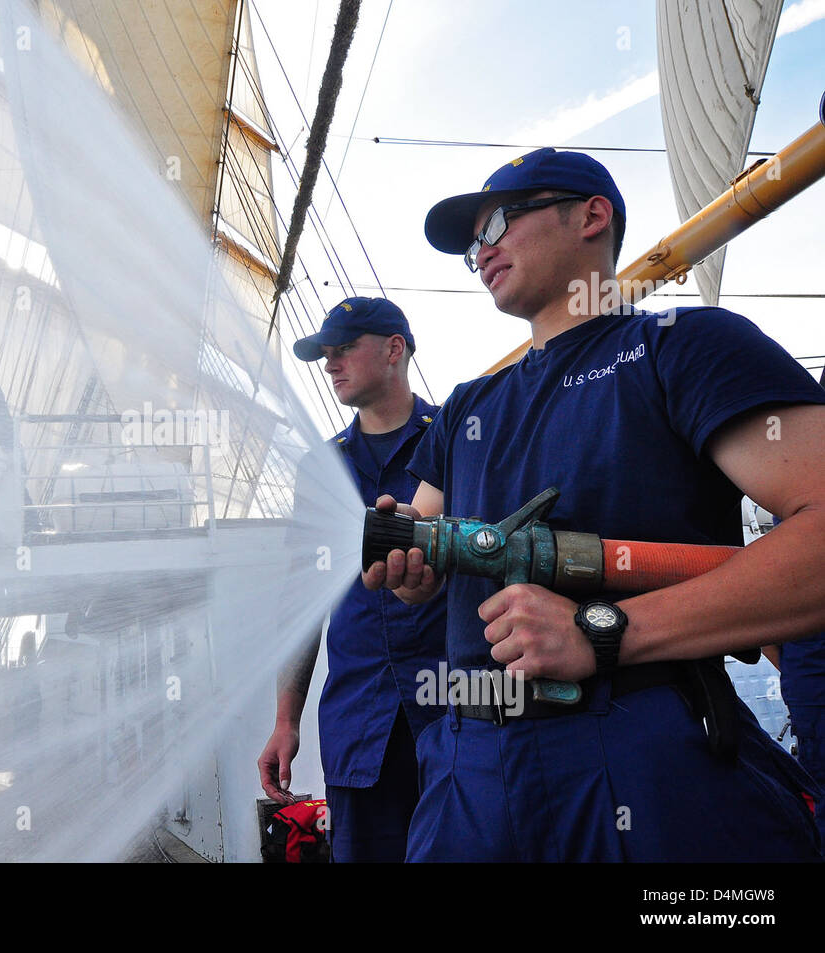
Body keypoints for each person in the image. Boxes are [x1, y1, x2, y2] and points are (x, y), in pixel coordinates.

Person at [364, 147, 825, 861]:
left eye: (496, 226)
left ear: (591, 215)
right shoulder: (464, 409)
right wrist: (412, 568)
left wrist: (606, 629)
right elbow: (422, 535)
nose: (479, 252)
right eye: (469, 248)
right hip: (468, 775)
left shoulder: (680, 346)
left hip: (645, 758)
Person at [257, 296, 447, 862]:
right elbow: (303, 604)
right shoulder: (320, 468)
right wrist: (284, 722)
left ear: (394, 350)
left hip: (460, 712)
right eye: (325, 354)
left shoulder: (458, 441)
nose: (331, 363)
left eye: (343, 350)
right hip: (359, 722)